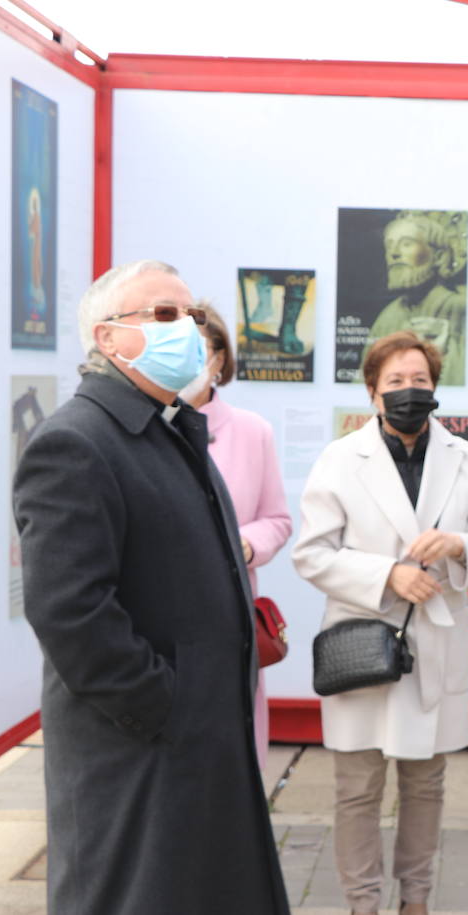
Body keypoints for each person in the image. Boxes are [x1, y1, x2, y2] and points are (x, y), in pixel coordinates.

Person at [12, 260, 288, 915]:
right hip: (137, 759)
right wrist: (165, 706)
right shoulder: (76, 443)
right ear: (109, 338)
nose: (186, 329)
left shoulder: (164, 432)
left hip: (201, 747)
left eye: (190, 315)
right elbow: (70, 612)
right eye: (164, 314)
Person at [293, 331, 468, 915]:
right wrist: (387, 574)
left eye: (419, 381)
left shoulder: (466, 459)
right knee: (357, 791)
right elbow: (310, 553)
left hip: (432, 645)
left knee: (425, 786)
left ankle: (416, 902)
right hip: (363, 643)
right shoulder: (340, 460)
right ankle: (363, 905)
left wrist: (459, 544)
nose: (409, 392)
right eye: (395, 382)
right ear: (372, 392)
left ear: (435, 387)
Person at [181, 302, 293, 764]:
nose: (186, 363)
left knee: (233, 750)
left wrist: (247, 544)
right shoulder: (139, 430)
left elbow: (277, 520)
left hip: (230, 613)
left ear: (220, 360)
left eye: (198, 351)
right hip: (162, 622)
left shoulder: (251, 431)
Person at [365, 212, 467, 384]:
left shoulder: (459, 307)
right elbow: (368, 378)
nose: (394, 254)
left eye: (406, 244)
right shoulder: (388, 316)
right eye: (389, 246)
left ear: (439, 257)